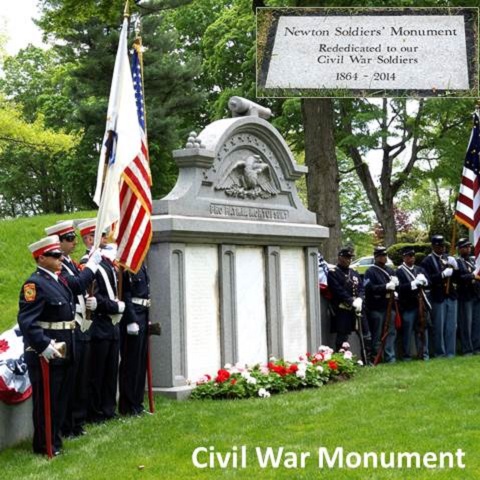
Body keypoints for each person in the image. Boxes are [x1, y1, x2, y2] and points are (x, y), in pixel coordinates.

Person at [17, 236, 76, 456]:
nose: (61, 258)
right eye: (55, 255)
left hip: (65, 347)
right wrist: (43, 345)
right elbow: (27, 321)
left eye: (60, 254)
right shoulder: (34, 284)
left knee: (59, 399)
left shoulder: (58, 280)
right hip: (47, 352)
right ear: (41, 258)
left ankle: (54, 440)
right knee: (46, 400)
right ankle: (44, 445)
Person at [45, 220, 101, 437]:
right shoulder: (60, 266)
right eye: (69, 238)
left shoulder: (68, 262)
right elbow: (75, 284)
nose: (74, 241)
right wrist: (92, 266)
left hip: (80, 321)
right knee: (72, 378)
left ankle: (76, 422)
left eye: (73, 237)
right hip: (69, 326)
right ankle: (69, 424)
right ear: (57, 243)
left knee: (80, 377)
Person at [88, 243, 125, 423]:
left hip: (113, 326)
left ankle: (109, 409)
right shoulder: (94, 265)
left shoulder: (111, 265)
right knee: (98, 372)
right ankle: (96, 412)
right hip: (100, 324)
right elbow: (95, 298)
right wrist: (115, 306)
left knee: (111, 371)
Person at [327, 247, 371, 361]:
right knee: (342, 336)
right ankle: (340, 361)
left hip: (359, 308)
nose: (349, 260)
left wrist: (360, 299)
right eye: (346, 258)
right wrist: (352, 301)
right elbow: (338, 290)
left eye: (350, 258)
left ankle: (368, 359)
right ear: (340, 258)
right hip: (343, 309)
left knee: (366, 335)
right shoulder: (334, 273)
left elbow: (361, 288)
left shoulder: (354, 272)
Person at [119, 263, 151, 416]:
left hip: (143, 315)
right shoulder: (127, 264)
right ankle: (128, 405)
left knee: (140, 363)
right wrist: (131, 319)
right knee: (131, 364)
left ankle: (137, 403)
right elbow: (126, 294)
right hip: (134, 316)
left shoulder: (142, 265)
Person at [420, 235, 459, 358]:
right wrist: (442, 275)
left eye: (443, 246)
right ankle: (440, 353)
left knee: (452, 326)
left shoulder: (449, 258)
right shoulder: (427, 261)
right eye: (439, 246)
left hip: (451, 295)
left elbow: (458, 278)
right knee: (439, 327)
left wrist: (456, 267)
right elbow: (428, 280)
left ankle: (451, 352)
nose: (442, 248)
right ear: (433, 246)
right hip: (438, 296)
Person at [396, 246, 431, 360]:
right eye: (409, 256)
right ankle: (407, 355)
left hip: (420, 304)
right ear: (404, 257)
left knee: (422, 329)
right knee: (407, 331)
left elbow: (429, 282)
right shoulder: (399, 271)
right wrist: (414, 284)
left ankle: (424, 353)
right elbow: (399, 288)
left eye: (413, 256)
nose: (411, 258)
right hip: (407, 305)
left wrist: (425, 282)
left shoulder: (419, 269)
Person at [364, 246, 398, 363]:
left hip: (389, 305)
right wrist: (385, 287)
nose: (383, 258)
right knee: (377, 334)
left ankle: (390, 357)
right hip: (376, 307)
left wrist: (395, 290)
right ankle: (376, 357)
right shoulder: (370, 271)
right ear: (376, 257)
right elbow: (369, 288)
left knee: (391, 333)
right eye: (381, 256)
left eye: (385, 255)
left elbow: (395, 285)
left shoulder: (390, 270)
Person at [456, 238, 479, 355]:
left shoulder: (473, 260)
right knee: (466, 324)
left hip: (476, 294)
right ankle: (467, 349)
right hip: (465, 296)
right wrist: (472, 275)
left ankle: (476, 347)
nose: (468, 249)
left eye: (469, 247)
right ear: (460, 249)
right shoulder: (457, 262)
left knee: (476, 323)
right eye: (465, 247)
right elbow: (459, 278)